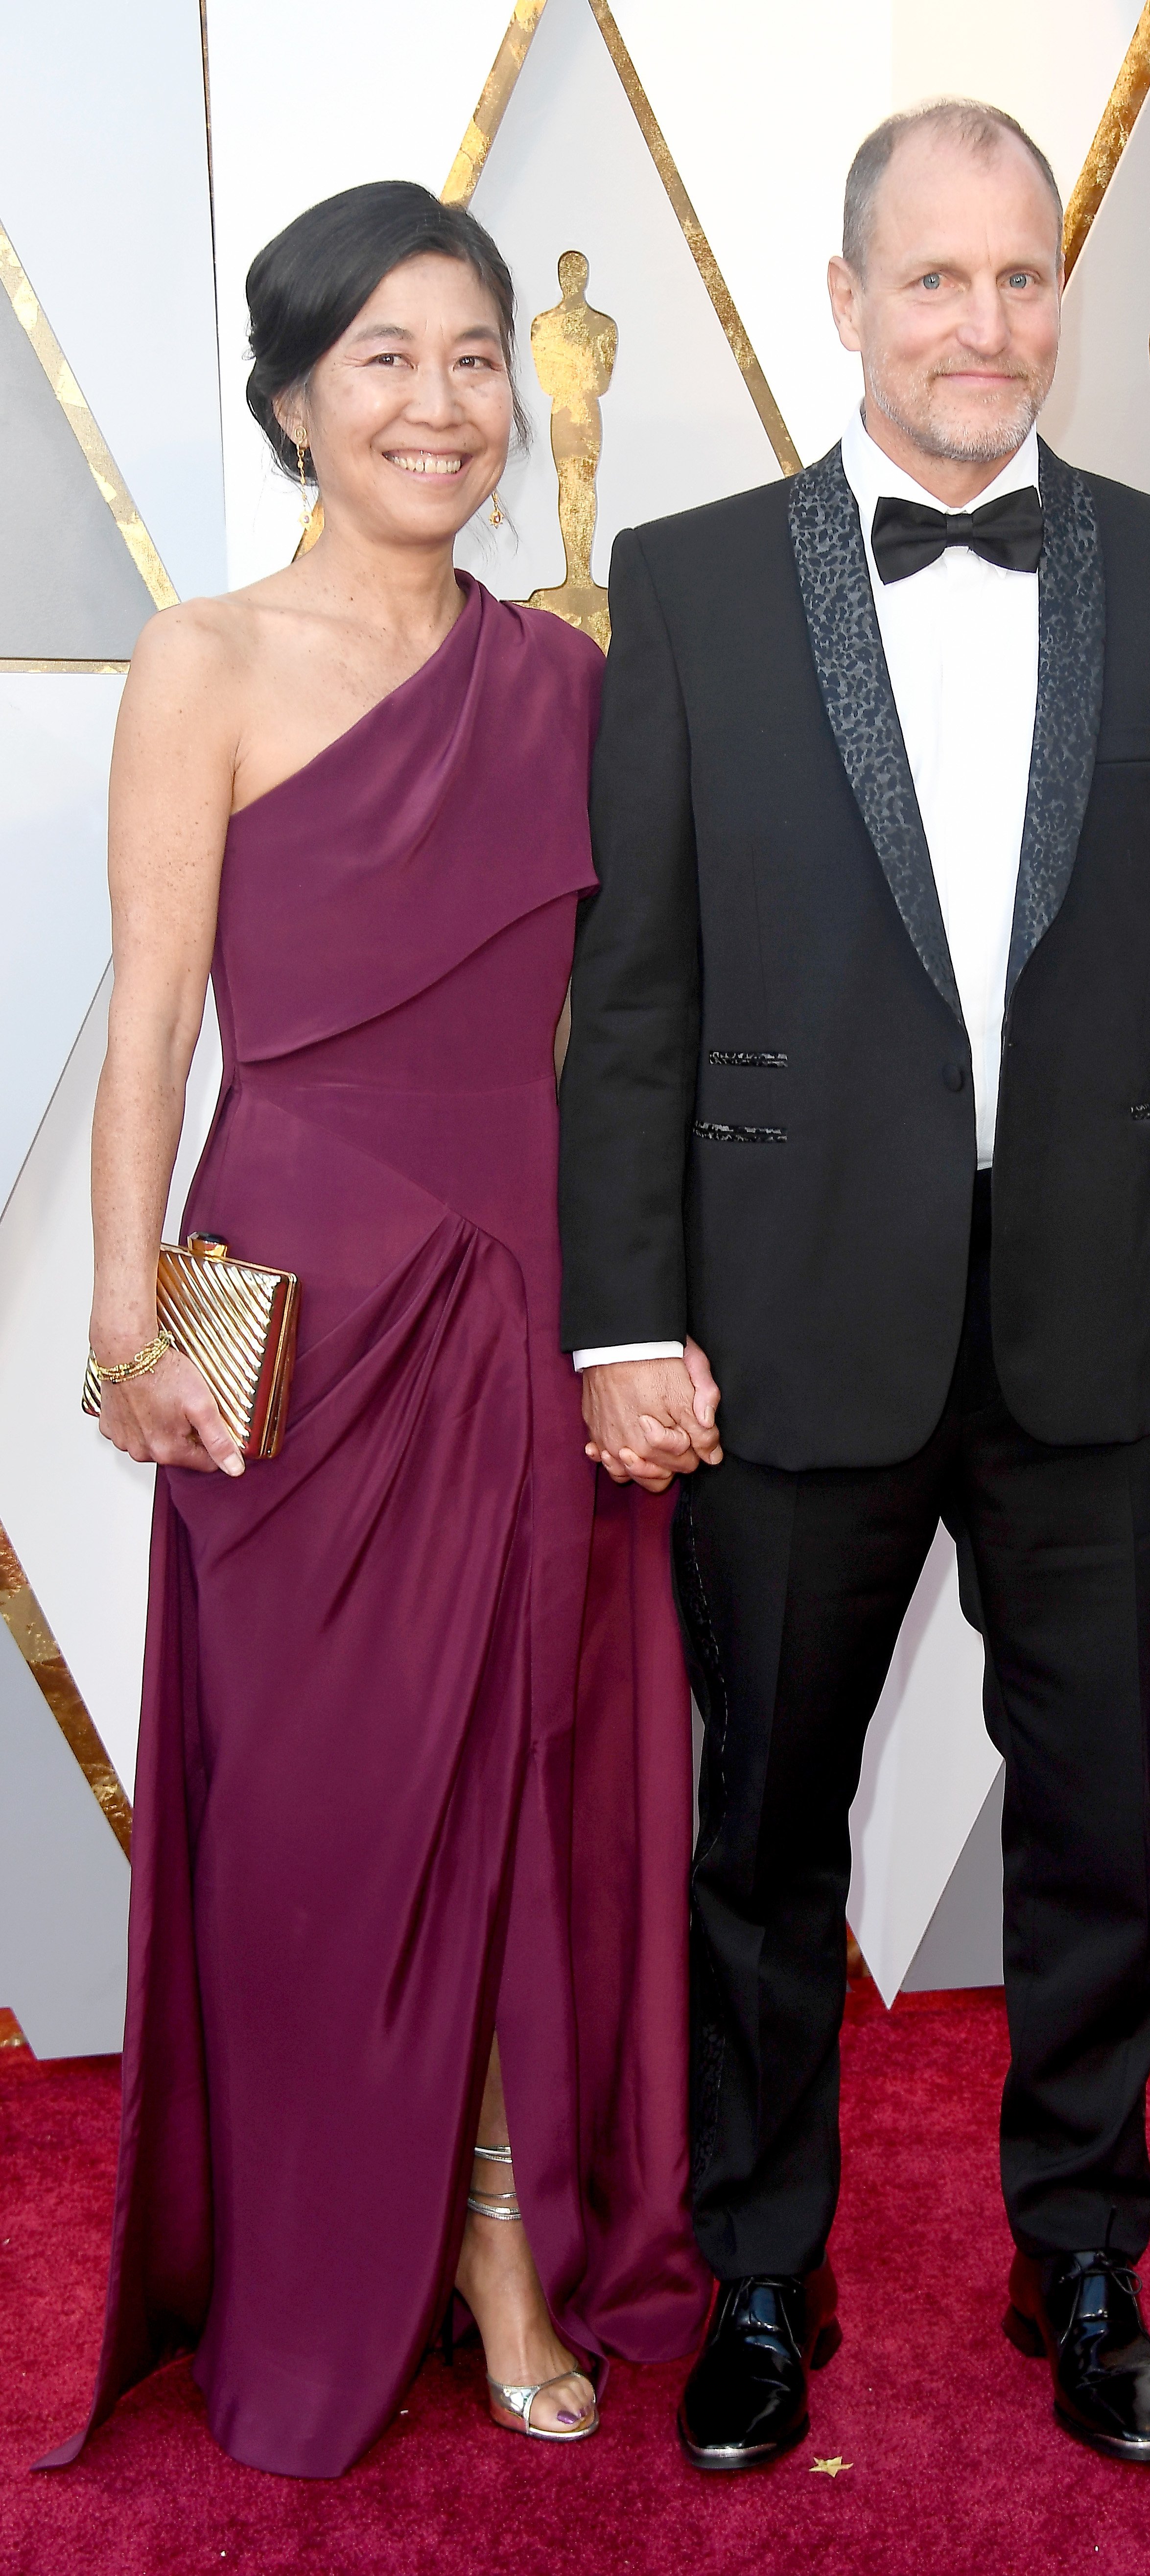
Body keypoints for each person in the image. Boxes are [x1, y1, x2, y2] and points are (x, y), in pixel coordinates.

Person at [558, 100, 1150, 2470]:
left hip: (1099, 1327)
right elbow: (633, 990)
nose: (985, 326)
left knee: (1096, 1829)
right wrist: (628, 1316)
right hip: (778, 1328)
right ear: (845, 298)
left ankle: (1082, 2255)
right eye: (935, 279)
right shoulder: (677, 586)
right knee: (758, 1834)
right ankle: (764, 2279)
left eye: (1022, 276)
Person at [43, 179, 706, 2481]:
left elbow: (619, 1044)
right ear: (297, 399)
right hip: (291, 1299)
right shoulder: (200, 657)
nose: (439, 404)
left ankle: (506, 2242)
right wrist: (128, 1316)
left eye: (471, 355)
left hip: (524, 1296)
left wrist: (646, 1315)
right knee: (320, 1808)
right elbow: (150, 1020)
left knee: (522, 1789)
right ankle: (340, 2240)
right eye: (384, 361)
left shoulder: (573, 681)